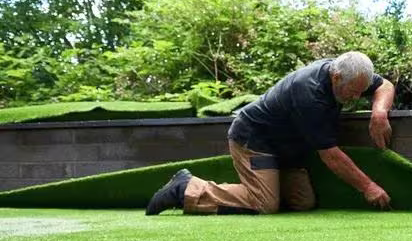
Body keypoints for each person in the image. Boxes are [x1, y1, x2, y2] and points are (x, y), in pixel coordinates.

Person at [146, 51, 395, 215]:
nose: (356, 97)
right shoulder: (310, 93)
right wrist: (368, 187)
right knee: (264, 204)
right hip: (256, 139)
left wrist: (379, 113)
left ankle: (268, 187)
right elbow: (331, 156)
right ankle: (186, 188)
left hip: (287, 149)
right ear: (336, 77)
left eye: (360, 91)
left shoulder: (350, 72)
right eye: (353, 91)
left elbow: (384, 85)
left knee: (302, 202)